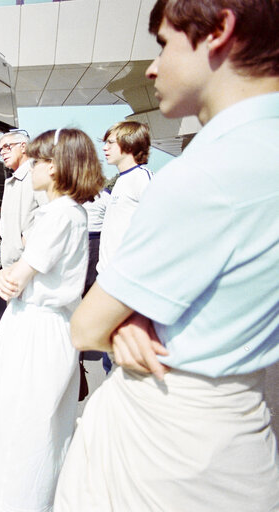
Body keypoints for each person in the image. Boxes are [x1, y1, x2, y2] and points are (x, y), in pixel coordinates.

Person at [55, 1, 279, 510]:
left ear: (220, 30)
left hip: (164, 446)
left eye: (164, 42)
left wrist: (121, 317)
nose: (153, 66)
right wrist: (132, 311)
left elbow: (86, 328)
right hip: (240, 436)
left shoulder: (207, 174)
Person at [0, 128, 104, 512]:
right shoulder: (65, 213)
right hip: (39, 326)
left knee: (27, 428)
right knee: (34, 426)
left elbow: (13, 281)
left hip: (37, 329)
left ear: (57, 168)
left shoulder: (60, 215)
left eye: (38, 160)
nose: (32, 165)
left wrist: (3, 275)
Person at [95, 120, 152, 276]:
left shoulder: (141, 178)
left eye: (110, 143)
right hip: (108, 274)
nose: (104, 147)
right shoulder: (121, 180)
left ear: (130, 144)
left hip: (127, 275)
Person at [0, 130, 49, 270]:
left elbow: (49, 215)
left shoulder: (36, 174)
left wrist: (23, 242)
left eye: (7, 146)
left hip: (27, 263)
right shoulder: (13, 180)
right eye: (0, 150)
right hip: (13, 262)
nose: (2, 152)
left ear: (23, 147)